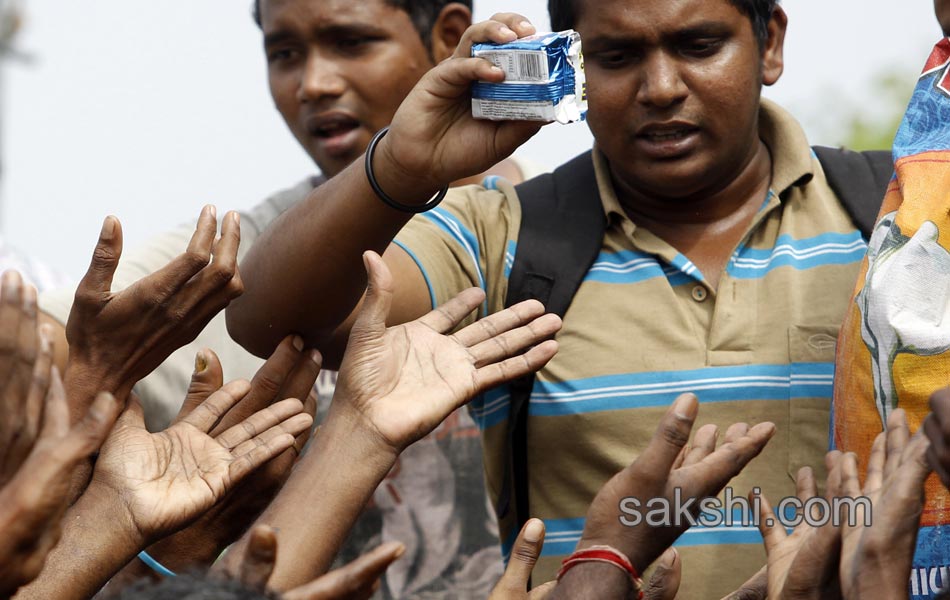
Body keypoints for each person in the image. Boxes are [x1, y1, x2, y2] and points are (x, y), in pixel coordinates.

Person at [226, 1, 875, 596]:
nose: (661, 88)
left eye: (699, 46)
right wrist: (402, 162)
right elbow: (270, 318)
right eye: (617, 57)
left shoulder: (896, 218)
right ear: (575, 66)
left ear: (770, 44)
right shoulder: (502, 235)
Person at [38, 1, 544, 595]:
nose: (314, 84)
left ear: (451, 36)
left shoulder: (555, 236)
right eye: (284, 54)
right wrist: (83, 369)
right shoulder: (237, 257)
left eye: (352, 42)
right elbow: (45, 348)